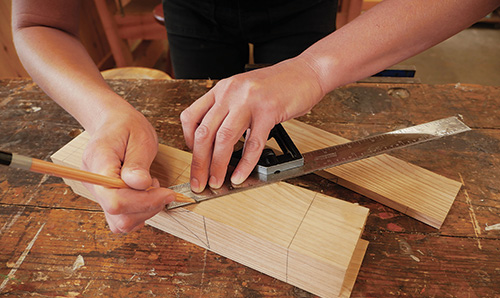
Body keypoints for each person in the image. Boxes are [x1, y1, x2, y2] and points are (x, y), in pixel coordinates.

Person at [12, 0, 500, 233]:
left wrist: (312, 67)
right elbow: (38, 24)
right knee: (207, 125)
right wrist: (104, 115)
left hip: (302, 11)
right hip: (193, 12)